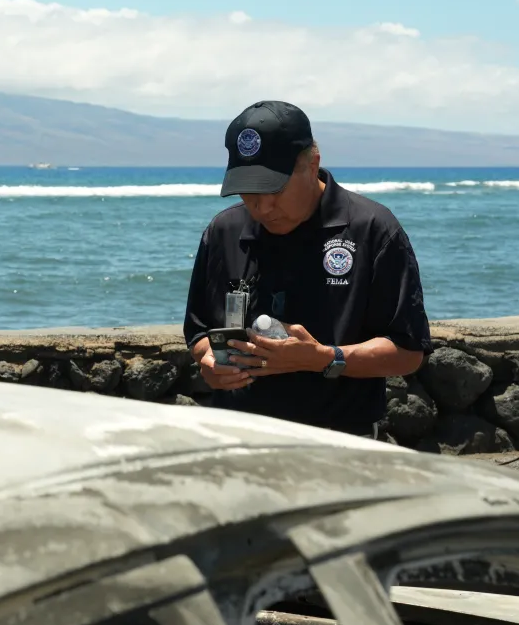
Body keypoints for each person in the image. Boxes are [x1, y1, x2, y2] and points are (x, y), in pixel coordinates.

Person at [183, 100, 430, 437]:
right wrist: (210, 363)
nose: (262, 206)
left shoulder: (373, 229)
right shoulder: (222, 232)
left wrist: (325, 358)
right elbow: (199, 332)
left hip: (338, 440)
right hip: (238, 436)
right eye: (249, 190)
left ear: (313, 163)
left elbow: (409, 351)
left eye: (275, 188)